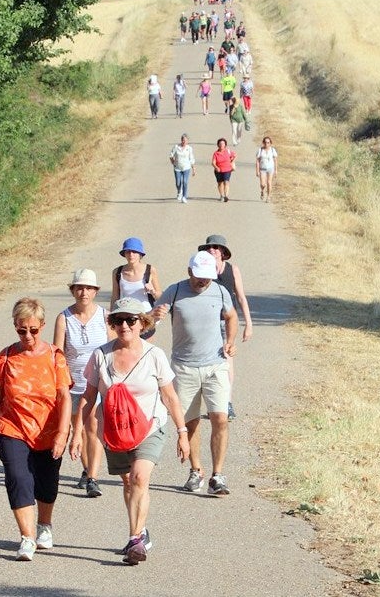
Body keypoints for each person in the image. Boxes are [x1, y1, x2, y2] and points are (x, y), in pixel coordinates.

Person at [71, 298, 190, 565]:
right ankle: (139, 532)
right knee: (128, 483)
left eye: (131, 320)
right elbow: (88, 397)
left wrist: (182, 432)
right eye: (117, 320)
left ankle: (136, 539)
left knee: (138, 478)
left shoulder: (154, 355)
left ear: (142, 323)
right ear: (112, 324)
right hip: (115, 431)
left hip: (150, 427)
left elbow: (169, 396)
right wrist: (77, 433)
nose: (124, 325)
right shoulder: (101, 355)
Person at [0, 298, 72, 561]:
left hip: (49, 429)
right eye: (22, 330)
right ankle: (27, 537)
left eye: (33, 329)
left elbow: (64, 396)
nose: (28, 335)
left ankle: (44, 525)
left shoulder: (55, 356)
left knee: (47, 482)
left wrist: (63, 434)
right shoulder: (7, 356)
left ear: (42, 326)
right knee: (18, 477)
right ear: (15, 327)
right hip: (11, 426)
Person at [152, 252, 238, 496]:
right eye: (199, 277)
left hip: (216, 365)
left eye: (208, 278)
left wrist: (230, 341)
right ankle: (196, 470)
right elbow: (149, 321)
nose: (203, 282)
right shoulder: (175, 291)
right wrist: (153, 316)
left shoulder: (220, 291)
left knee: (220, 418)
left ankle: (218, 475)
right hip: (183, 367)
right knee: (190, 422)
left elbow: (231, 316)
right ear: (189, 271)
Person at [53, 269, 113, 498]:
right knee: (79, 428)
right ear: (73, 291)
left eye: (88, 288)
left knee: (93, 428)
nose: (83, 292)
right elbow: (57, 353)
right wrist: (59, 384)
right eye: (79, 288)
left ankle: (93, 478)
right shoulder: (64, 318)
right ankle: (87, 470)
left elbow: (111, 349)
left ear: (95, 291)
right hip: (72, 384)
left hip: (97, 384)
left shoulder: (104, 317)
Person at [199, 235, 253, 420]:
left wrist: (248, 324)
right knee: (208, 363)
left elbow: (241, 297)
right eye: (209, 248)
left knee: (227, 360)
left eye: (216, 247)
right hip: (208, 322)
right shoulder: (202, 270)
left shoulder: (232, 270)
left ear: (223, 252)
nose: (212, 250)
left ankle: (227, 403)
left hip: (227, 322)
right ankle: (214, 404)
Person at [110, 237, 162, 320]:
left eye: (134, 252)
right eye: (128, 252)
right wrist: (111, 317)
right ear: (124, 254)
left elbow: (160, 297)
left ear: (140, 254)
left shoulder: (150, 270)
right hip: (126, 316)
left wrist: (153, 291)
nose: (131, 255)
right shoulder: (117, 272)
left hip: (147, 316)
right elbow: (115, 297)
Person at [169, 133, 196, 203]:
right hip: (177, 168)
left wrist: (193, 169)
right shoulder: (176, 147)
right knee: (178, 183)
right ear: (181, 140)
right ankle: (179, 191)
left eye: (185, 140)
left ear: (187, 141)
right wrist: (173, 162)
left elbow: (191, 159)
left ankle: (184, 197)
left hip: (186, 167)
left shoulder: (189, 148)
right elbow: (171, 155)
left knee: (185, 182)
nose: (184, 142)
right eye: (183, 140)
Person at [211, 137, 236, 202]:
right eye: (220, 144)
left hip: (227, 169)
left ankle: (226, 196)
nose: (222, 145)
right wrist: (216, 167)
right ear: (218, 145)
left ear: (225, 145)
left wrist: (232, 161)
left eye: (223, 143)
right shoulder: (216, 153)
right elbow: (213, 163)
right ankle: (221, 195)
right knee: (220, 183)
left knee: (226, 182)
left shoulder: (228, 151)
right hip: (218, 170)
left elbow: (235, 155)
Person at [256, 136, 278, 202]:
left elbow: (275, 160)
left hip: (270, 168)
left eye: (268, 143)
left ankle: (268, 196)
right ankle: (262, 190)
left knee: (269, 182)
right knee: (263, 184)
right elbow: (257, 160)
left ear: (270, 143)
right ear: (263, 143)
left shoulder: (272, 150)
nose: (266, 144)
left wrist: (276, 170)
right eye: (265, 142)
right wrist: (257, 170)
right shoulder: (260, 150)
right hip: (262, 168)